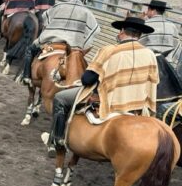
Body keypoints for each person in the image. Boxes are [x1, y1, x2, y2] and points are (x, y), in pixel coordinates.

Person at [46, 16, 158, 148]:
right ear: (140, 35)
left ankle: (56, 139)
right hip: (138, 103)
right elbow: (153, 82)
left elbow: (87, 80)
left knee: (60, 98)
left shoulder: (109, 50)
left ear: (122, 31)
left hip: (112, 100)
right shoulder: (150, 54)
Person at [18, 0, 100, 85]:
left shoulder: (59, 6)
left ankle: (26, 76)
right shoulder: (88, 13)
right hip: (73, 47)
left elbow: (45, 18)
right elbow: (95, 30)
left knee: (30, 50)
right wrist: (83, 46)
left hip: (51, 41)